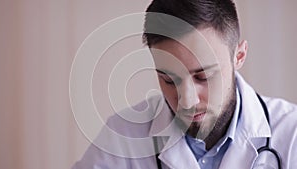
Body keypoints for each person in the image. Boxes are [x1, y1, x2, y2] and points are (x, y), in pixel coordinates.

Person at [72, 0, 297, 168]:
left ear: (238, 56)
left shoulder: (291, 134)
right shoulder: (121, 139)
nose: (187, 100)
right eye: (169, 79)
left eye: (203, 77)